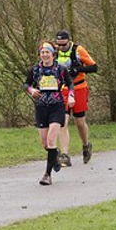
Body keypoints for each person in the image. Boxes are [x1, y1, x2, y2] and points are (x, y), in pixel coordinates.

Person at [24, 42, 75, 186]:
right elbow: (26, 84)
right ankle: (55, 155)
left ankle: (47, 175)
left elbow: (70, 84)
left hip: (57, 107)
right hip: (41, 108)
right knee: (46, 145)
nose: (45, 55)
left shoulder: (61, 69)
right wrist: (32, 90)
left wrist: (71, 96)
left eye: (48, 52)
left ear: (53, 54)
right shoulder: (35, 70)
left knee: (52, 141)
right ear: (40, 55)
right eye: (42, 52)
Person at [54, 30, 98, 166]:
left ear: (69, 41)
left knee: (79, 122)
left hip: (79, 88)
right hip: (63, 90)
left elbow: (94, 67)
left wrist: (78, 70)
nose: (61, 47)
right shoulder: (54, 51)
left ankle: (86, 145)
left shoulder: (78, 50)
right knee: (63, 122)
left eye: (63, 45)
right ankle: (65, 155)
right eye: (58, 45)